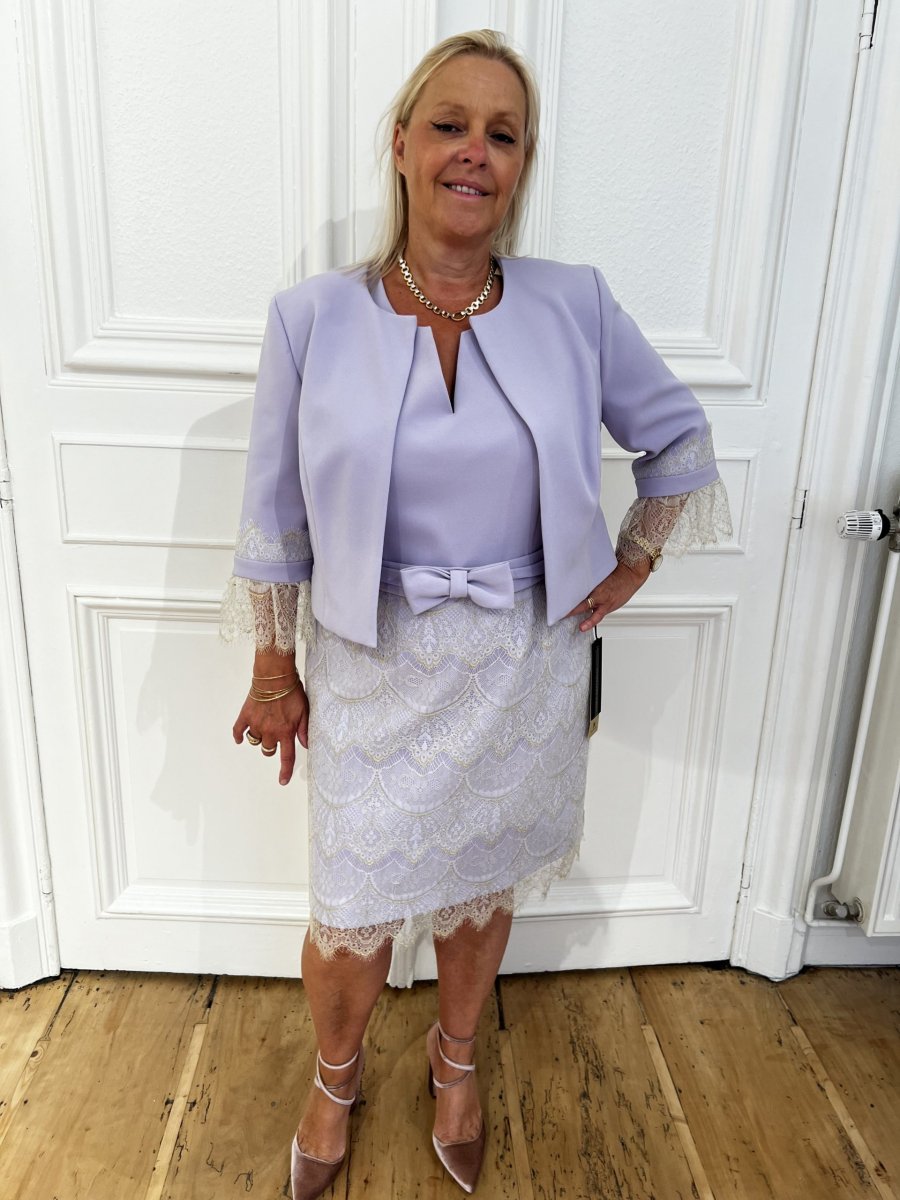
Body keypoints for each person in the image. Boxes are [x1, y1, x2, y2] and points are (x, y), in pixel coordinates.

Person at [220, 28, 733, 1200]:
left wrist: (633, 563)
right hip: (374, 661)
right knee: (349, 909)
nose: (475, 152)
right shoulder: (312, 319)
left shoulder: (574, 304)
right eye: (450, 125)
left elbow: (678, 437)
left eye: (503, 135)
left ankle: (456, 1061)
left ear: (522, 165)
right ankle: (336, 1075)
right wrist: (272, 668)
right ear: (402, 144)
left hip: (521, 662)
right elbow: (272, 511)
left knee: (477, 889)